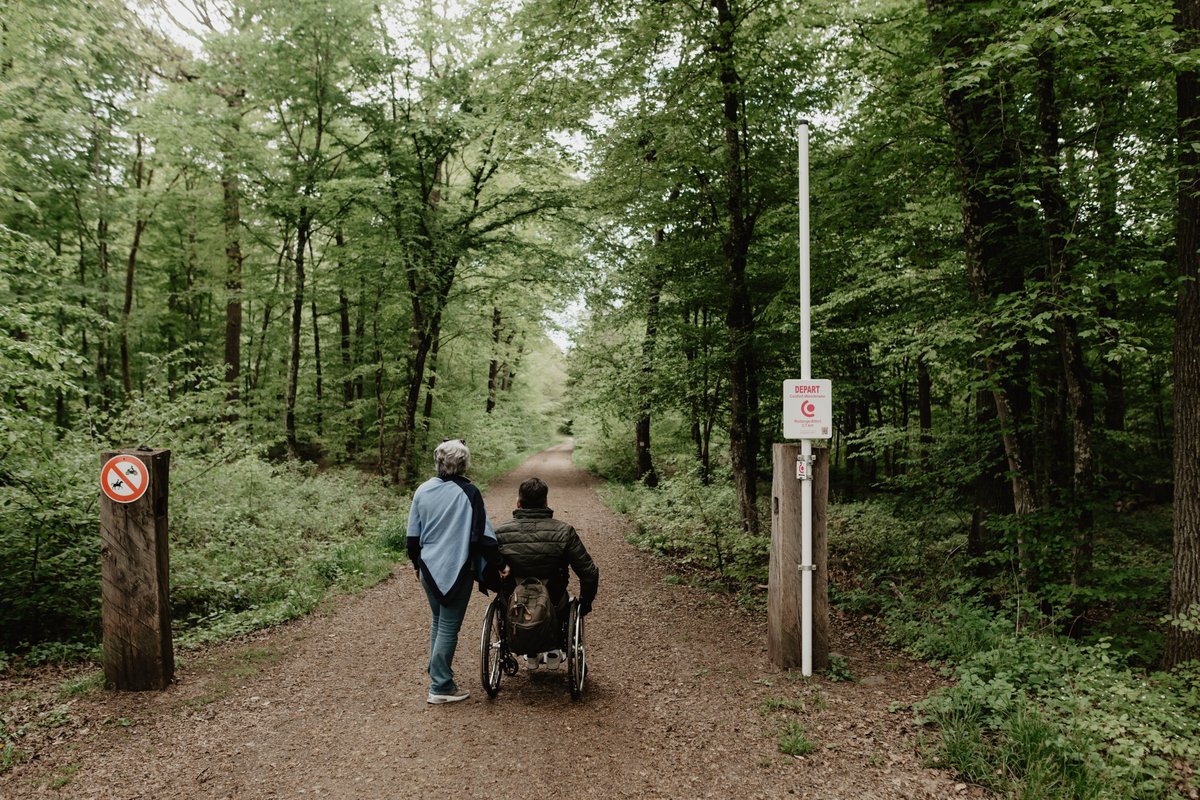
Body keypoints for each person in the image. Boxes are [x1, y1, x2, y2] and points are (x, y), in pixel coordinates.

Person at [407, 439, 508, 704]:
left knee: (439, 622)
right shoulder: (469, 492)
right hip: (456, 568)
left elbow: (412, 537)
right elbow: (485, 537)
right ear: (463, 463)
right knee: (449, 627)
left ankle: (437, 674)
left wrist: (417, 565)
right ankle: (441, 686)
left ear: (438, 461)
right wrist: (500, 564)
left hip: (428, 568)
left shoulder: (423, 490)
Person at [494, 477, 599, 667]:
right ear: (545, 503)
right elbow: (589, 572)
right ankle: (553, 648)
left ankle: (529, 649)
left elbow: (487, 569)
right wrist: (585, 604)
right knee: (560, 599)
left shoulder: (500, 532)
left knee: (507, 595)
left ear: (518, 503)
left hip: (513, 599)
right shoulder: (564, 532)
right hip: (553, 597)